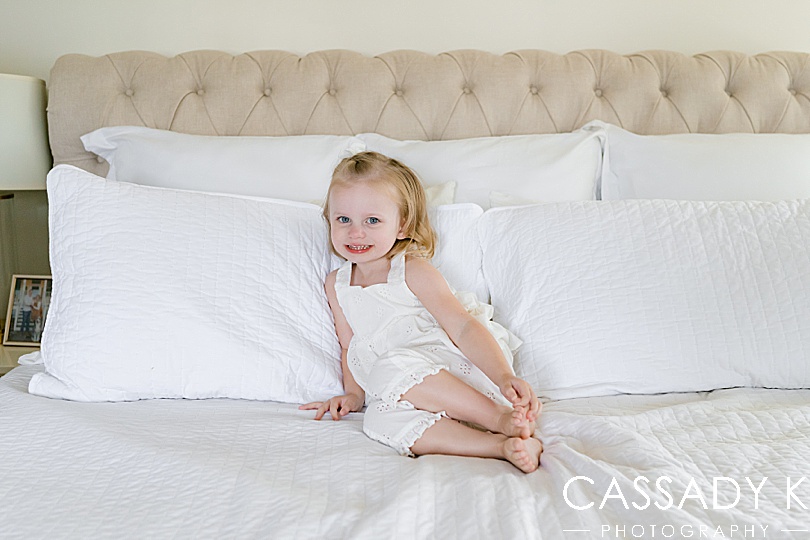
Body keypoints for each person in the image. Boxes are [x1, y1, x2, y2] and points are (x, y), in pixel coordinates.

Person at [300, 152, 543, 473]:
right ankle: (501, 446)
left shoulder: (412, 271)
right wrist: (354, 395)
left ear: (403, 225)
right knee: (377, 419)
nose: (355, 232)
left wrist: (503, 376)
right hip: (399, 389)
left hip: (455, 376)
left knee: (390, 365)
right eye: (343, 219)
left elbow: (463, 327)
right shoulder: (336, 284)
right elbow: (350, 347)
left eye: (372, 220)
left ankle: (498, 418)